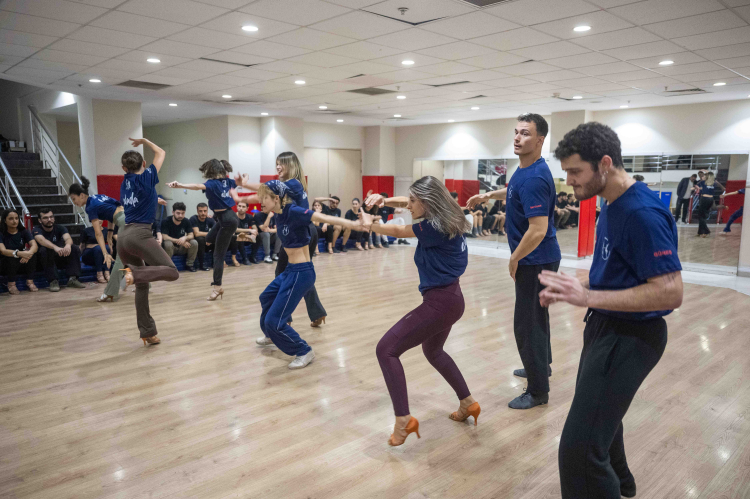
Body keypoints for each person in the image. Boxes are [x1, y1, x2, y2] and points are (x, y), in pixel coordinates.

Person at [545, 121, 683, 499]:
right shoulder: (610, 203)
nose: (569, 181)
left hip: (631, 337)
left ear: (605, 163)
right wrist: (578, 287)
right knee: (600, 420)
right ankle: (622, 482)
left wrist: (588, 298)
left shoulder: (642, 213)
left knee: (579, 451)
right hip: (604, 328)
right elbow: (619, 273)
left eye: (575, 171)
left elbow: (670, 292)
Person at [363, 177, 479, 447]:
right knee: (433, 351)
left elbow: (400, 230)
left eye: (414, 201)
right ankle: (468, 402)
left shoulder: (435, 226)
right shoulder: (449, 214)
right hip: (452, 298)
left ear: (428, 202)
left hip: (441, 303)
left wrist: (371, 225)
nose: (408, 205)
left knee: (386, 349)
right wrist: (385, 200)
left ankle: (403, 420)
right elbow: (407, 204)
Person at [467, 113, 561, 410]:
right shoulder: (525, 169)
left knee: (527, 324)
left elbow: (538, 229)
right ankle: (541, 366)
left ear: (540, 140)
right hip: (539, 258)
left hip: (535, 260)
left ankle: (538, 390)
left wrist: (514, 257)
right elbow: (513, 191)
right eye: (517, 132)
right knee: (536, 318)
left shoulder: (534, 177)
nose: (518, 138)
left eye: (526, 133)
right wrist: (488, 195)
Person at [254, 180, 359, 369]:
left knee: (274, 321)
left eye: (264, 198)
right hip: (290, 270)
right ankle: (271, 335)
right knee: (266, 297)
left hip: (301, 273)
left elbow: (323, 217)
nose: (259, 201)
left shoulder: (293, 211)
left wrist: (353, 223)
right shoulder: (277, 213)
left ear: (276, 198)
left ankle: (304, 350)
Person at [118, 138, 180, 346]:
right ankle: (134, 274)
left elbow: (139, 198)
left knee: (142, 286)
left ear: (124, 169)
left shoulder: (125, 182)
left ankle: (147, 332)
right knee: (172, 271)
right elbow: (161, 152)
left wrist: (155, 200)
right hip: (140, 235)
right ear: (144, 164)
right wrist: (144, 141)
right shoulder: (147, 177)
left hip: (123, 237)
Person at [167, 159, 241, 300]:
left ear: (211, 171)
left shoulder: (212, 183)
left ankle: (217, 288)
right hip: (224, 218)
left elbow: (196, 186)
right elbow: (240, 182)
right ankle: (233, 236)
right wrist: (244, 178)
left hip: (227, 221)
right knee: (208, 238)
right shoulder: (228, 181)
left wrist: (180, 185)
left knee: (218, 256)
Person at [69, 177, 127, 301]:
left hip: (123, 222)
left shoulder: (90, 207)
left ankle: (110, 293)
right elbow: (114, 210)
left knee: (120, 258)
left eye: (74, 199)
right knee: (135, 254)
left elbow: (98, 233)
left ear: (82, 195)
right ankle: (144, 285)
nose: (74, 202)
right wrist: (110, 234)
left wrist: (105, 253)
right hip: (130, 218)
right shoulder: (98, 197)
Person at [32, 208, 84, 292]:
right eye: (45, 218)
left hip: (57, 259)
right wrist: (55, 247)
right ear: (39, 220)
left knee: (73, 247)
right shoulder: (36, 230)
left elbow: (68, 238)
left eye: (51, 217)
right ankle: (53, 281)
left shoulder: (60, 228)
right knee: (44, 250)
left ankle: (72, 279)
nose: (49, 219)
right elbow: (41, 240)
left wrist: (68, 245)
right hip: (43, 261)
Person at [0, 208, 38, 294]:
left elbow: (34, 245)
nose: (14, 221)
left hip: (21, 260)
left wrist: (29, 254)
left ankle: (30, 282)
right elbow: (3, 250)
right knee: (11, 257)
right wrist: (19, 253)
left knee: (33, 255)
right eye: (11, 219)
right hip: (5, 262)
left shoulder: (23, 231)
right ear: (5, 220)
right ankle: (11, 284)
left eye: (16, 218)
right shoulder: (1, 233)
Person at [160, 202, 198, 271]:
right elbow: (165, 237)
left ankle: (190, 264)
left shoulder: (186, 221)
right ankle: (168, 266)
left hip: (182, 247)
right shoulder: (166, 221)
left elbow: (191, 235)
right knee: (167, 243)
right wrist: (180, 241)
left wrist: (185, 237)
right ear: (173, 212)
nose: (180, 215)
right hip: (171, 247)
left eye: (183, 213)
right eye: (178, 213)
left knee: (194, 242)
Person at [695, 171, 723, 238]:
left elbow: (696, 185)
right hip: (710, 199)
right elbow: (720, 186)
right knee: (702, 216)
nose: (703, 177)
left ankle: (706, 231)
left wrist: (697, 187)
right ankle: (700, 232)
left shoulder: (703, 182)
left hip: (704, 199)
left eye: (704, 176)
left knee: (700, 216)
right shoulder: (714, 183)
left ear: (707, 177)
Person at [189, 203, 215, 271]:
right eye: (200, 211)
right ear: (197, 211)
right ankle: (202, 264)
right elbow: (197, 234)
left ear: (207, 211)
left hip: (207, 241)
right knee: (200, 239)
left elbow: (216, 231)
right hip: (197, 242)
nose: (203, 213)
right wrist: (209, 236)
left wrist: (210, 238)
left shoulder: (210, 219)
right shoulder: (193, 219)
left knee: (217, 239)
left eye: (205, 211)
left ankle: (215, 262)